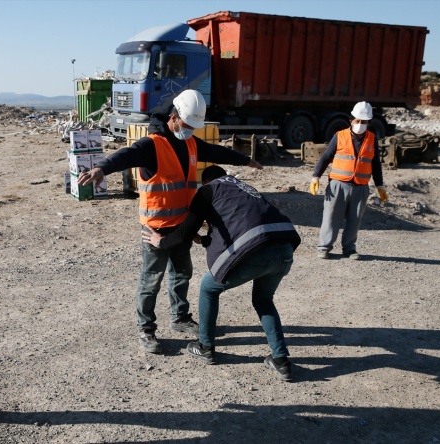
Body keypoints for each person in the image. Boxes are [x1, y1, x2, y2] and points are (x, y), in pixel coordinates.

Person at [78, 90, 263, 354]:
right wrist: (102, 168)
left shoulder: (190, 144)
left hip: (182, 226)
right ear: (174, 118)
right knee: (151, 279)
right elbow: (126, 155)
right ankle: (146, 328)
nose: (189, 131)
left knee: (182, 274)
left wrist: (246, 160)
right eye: (186, 125)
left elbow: (216, 152)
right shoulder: (152, 144)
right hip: (155, 228)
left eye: (193, 127)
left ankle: (180, 318)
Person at [141, 166, 301, 381]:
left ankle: (205, 346)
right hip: (285, 248)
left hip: (258, 250)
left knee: (208, 288)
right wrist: (204, 240)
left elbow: (185, 231)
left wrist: (161, 242)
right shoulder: (243, 188)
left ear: (205, 182)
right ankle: (281, 361)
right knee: (264, 301)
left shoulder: (208, 190)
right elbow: (234, 225)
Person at [309, 101, 388, 260]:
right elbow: (325, 158)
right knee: (331, 217)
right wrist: (315, 177)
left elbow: (375, 164)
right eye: (357, 121)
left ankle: (349, 249)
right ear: (351, 120)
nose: (360, 124)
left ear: (368, 123)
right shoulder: (339, 136)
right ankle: (324, 247)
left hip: (360, 187)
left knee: (355, 219)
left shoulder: (372, 139)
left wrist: (380, 186)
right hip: (338, 185)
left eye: (364, 122)